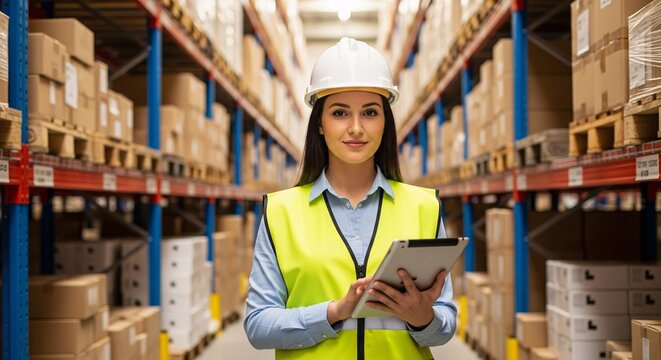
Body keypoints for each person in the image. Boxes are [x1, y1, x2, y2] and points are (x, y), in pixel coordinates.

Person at [244, 37, 457, 360]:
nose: (356, 128)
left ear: (385, 123)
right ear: (319, 124)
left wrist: (423, 319)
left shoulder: (423, 207)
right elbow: (258, 325)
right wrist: (333, 311)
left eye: (370, 112)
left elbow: (446, 322)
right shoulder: (281, 212)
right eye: (340, 113)